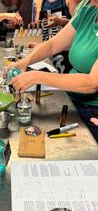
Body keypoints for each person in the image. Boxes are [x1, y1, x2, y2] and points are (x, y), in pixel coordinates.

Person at [7, 1, 98, 142]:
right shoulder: (89, 10)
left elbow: (92, 83)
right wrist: (25, 62)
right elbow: (53, 44)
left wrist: (37, 76)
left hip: (93, 112)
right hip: (73, 100)